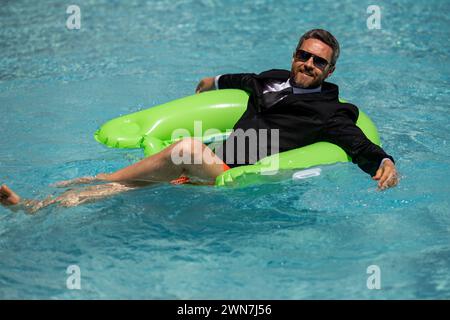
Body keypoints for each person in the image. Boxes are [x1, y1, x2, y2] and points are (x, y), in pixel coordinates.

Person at [0, 29, 398, 214]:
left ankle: (95, 178)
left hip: (235, 175)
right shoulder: (274, 77)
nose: (308, 64)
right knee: (130, 189)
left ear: (329, 71)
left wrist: (384, 161)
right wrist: (212, 82)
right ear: (295, 55)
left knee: (185, 149)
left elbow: (355, 141)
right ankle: (36, 206)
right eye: (303, 55)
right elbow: (244, 81)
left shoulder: (331, 110)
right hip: (217, 160)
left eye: (318, 61)